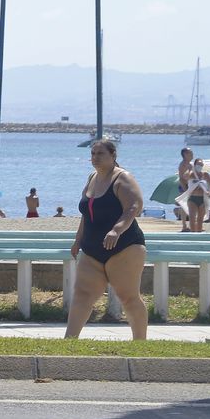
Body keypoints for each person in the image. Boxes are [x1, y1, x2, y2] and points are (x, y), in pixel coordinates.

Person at [66, 138, 148, 341]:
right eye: (93, 154)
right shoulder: (92, 177)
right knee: (82, 295)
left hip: (125, 247)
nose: (95, 158)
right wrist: (78, 240)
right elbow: (87, 213)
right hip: (92, 248)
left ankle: (140, 342)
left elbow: (134, 206)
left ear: (113, 156)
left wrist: (116, 230)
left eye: (100, 154)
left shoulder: (123, 178)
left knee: (128, 297)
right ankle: (69, 341)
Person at [180, 158, 210, 233]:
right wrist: (189, 169)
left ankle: (199, 235)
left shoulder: (205, 174)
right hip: (193, 198)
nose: (200, 166)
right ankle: (193, 235)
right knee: (192, 218)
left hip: (202, 198)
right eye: (198, 164)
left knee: (200, 219)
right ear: (195, 165)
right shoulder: (191, 174)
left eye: (201, 164)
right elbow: (184, 177)